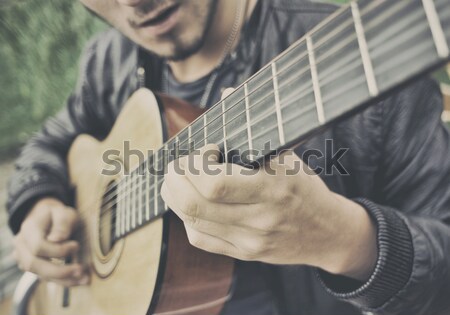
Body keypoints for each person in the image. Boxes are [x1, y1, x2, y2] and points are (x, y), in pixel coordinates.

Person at [6, 0, 450, 314]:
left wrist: (346, 240)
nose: (134, 0)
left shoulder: (355, 58)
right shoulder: (109, 61)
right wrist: (36, 202)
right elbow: (51, 142)